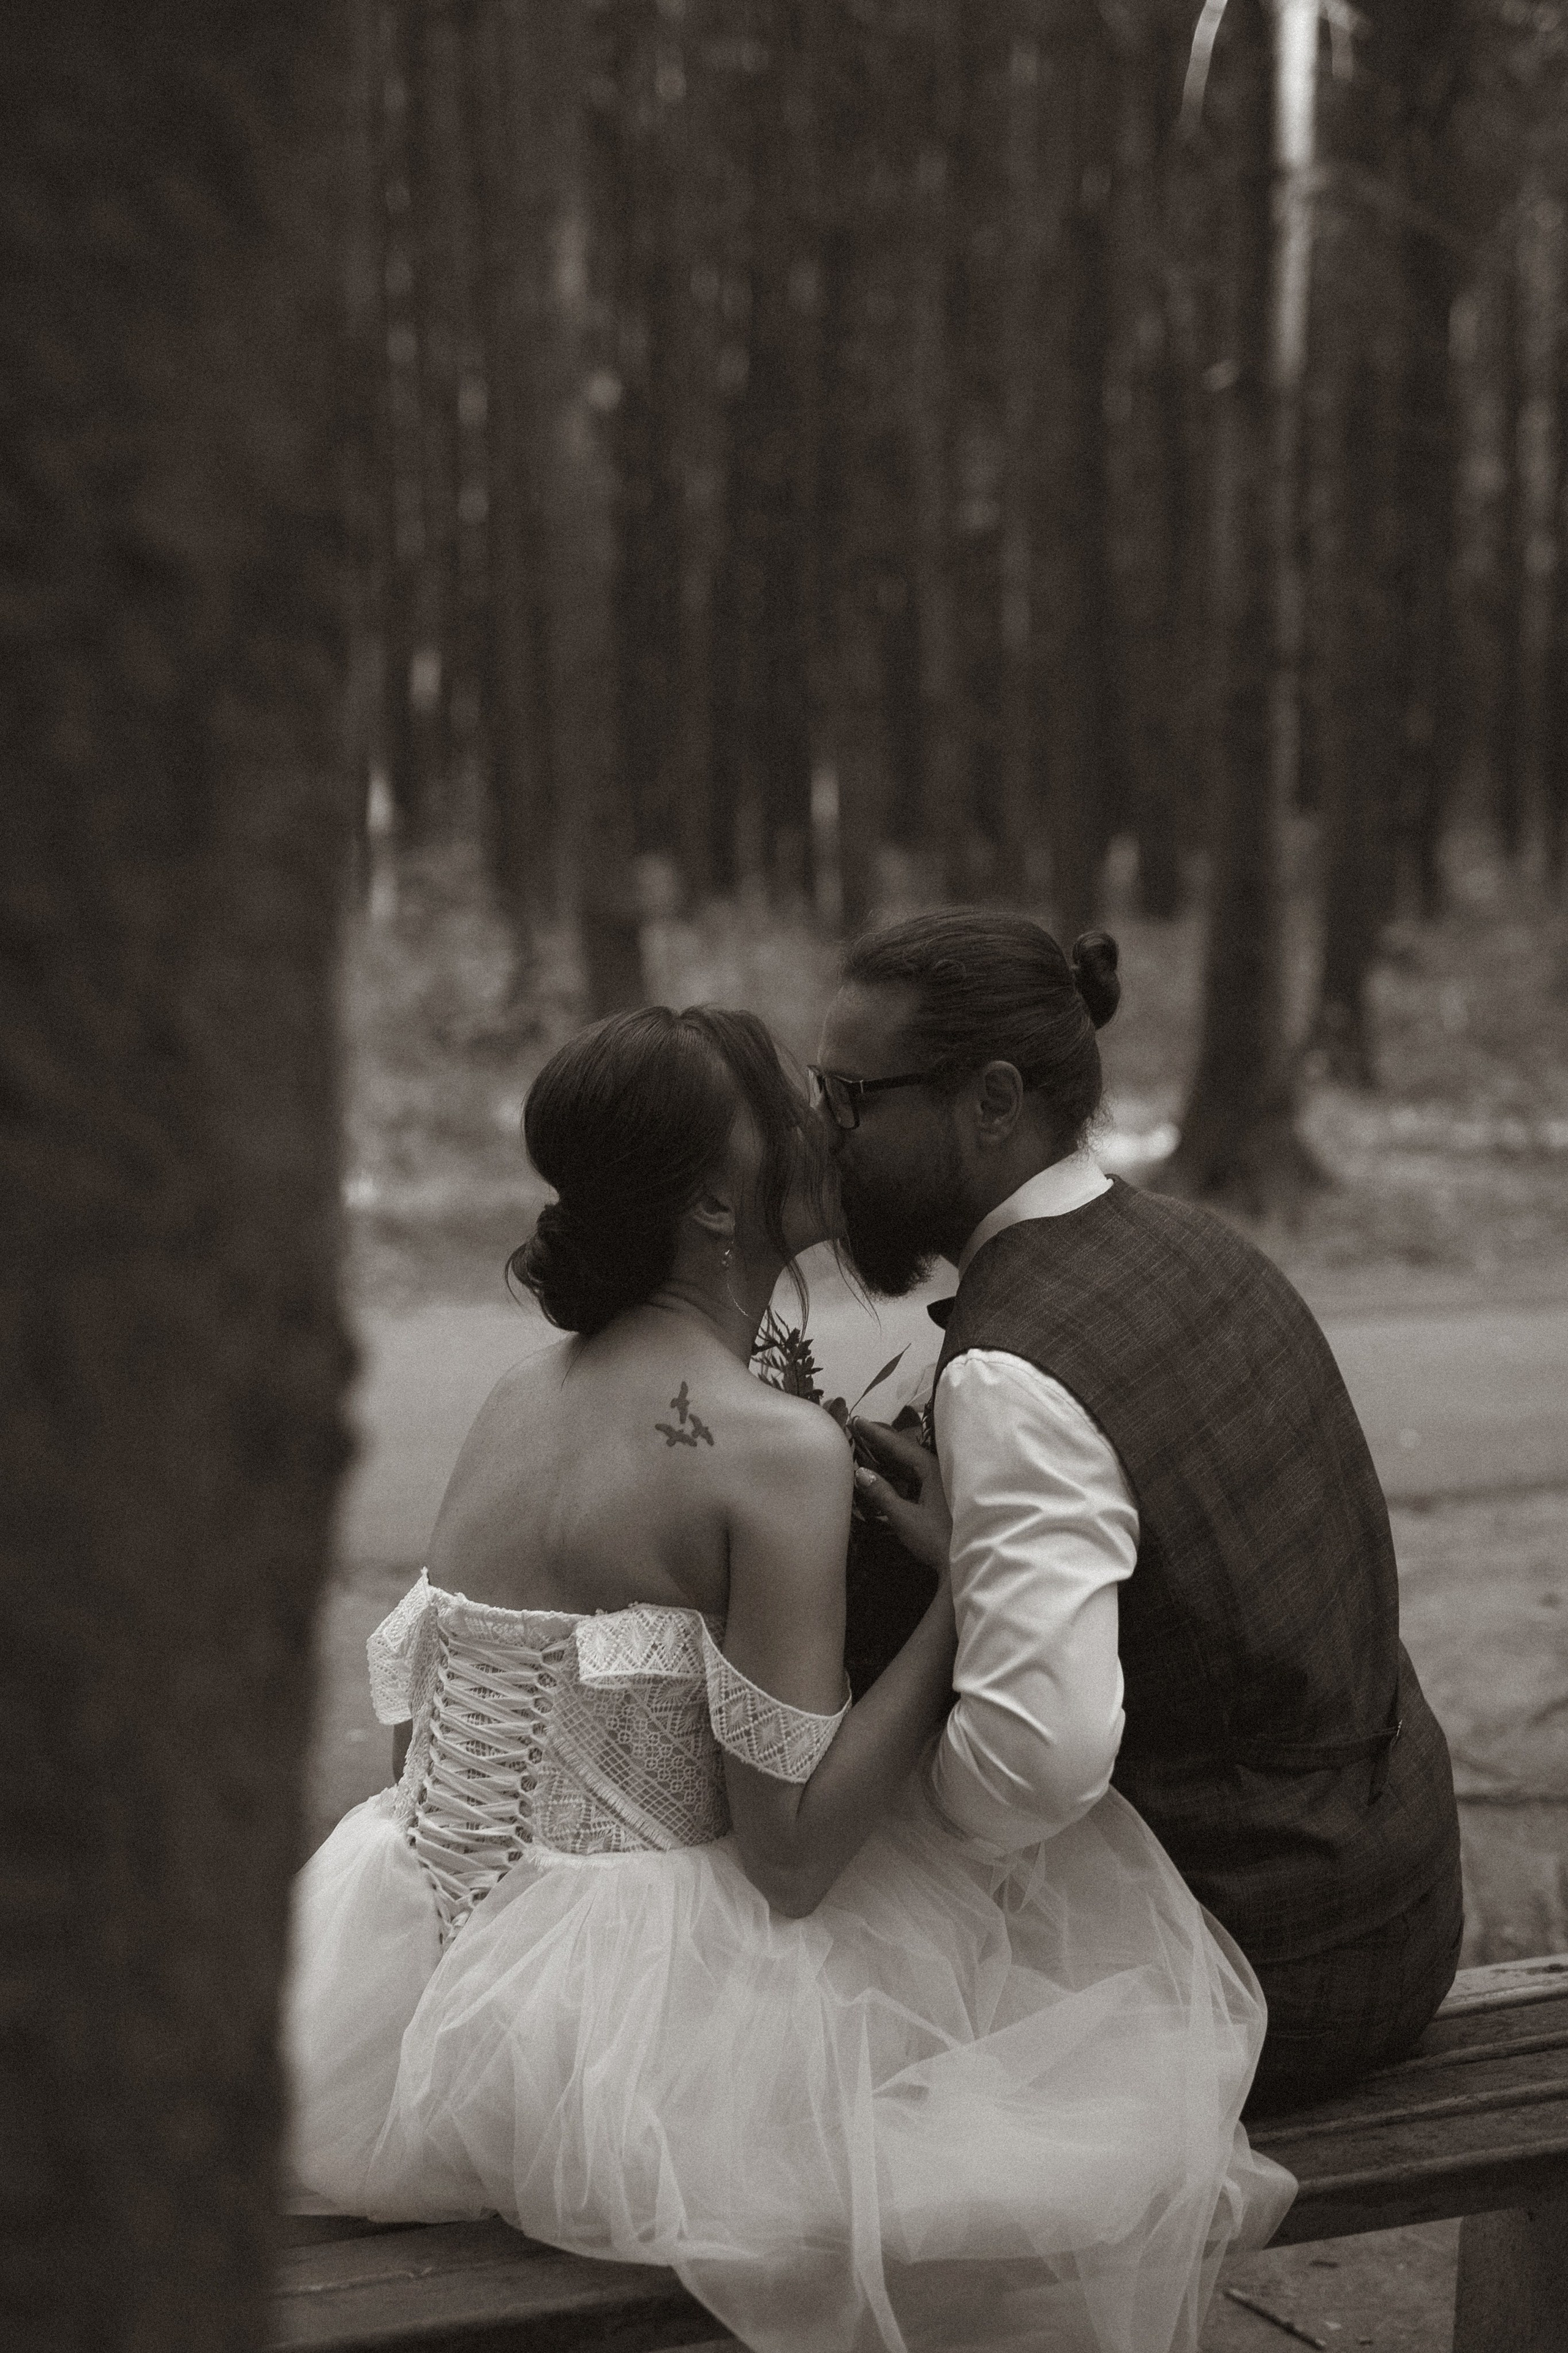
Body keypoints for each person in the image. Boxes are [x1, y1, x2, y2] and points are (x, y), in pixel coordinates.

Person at [285, 1003, 1293, 2353]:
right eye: (790, 1099)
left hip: (394, 1971)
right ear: (716, 1201)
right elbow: (792, 1856)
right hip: (616, 2040)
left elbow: (415, 1755)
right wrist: (959, 1595)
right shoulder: (767, 1448)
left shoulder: (516, 1397)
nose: (828, 1114)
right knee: (1061, 1986)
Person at [820, 911, 1463, 2118]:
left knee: (792, 1970)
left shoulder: (1011, 1368)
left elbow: (1031, 1765)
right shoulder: (1198, 1245)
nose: (828, 1136)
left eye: (852, 1097)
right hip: (1403, 1899)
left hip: (1258, 1977)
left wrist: (874, 1794)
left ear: (991, 1100)